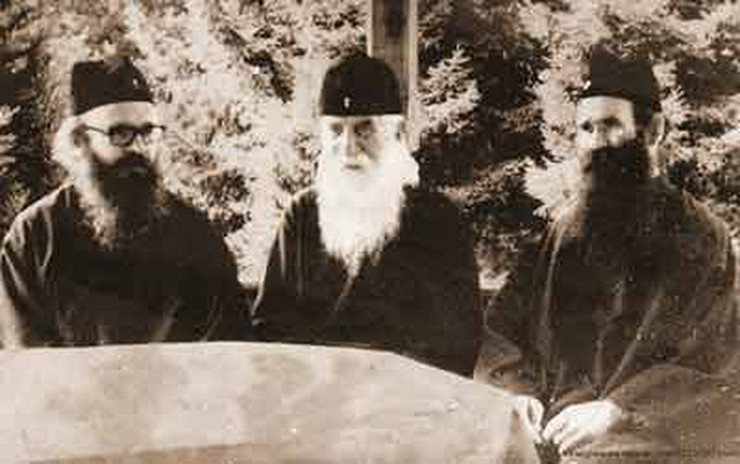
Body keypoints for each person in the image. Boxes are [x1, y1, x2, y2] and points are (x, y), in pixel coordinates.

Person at [475, 44, 739, 454]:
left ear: (653, 131)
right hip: (550, 441)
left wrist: (619, 410)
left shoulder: (701, 236)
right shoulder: (563, 229)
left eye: (611, 125)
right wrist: (517, 392)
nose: (596, 142)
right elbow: (501, 328)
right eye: (585, 128)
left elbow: (714, 362)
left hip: (645, 448)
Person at [251, 53, 482, 377]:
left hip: (407, 398)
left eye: (364, 130)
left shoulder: (438, 220)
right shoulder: (301, 215)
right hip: (317, 395)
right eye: (335, 130)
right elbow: (270, 329)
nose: (348, 147)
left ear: (396, 133)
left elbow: (457, 345)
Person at [0, 57, 249, 347]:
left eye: (148, 132)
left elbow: (229, 348)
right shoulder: (35, 237)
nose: (139, 148)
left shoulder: (196, 235)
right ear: (80, 141)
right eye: (120, 133)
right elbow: (29, 357)